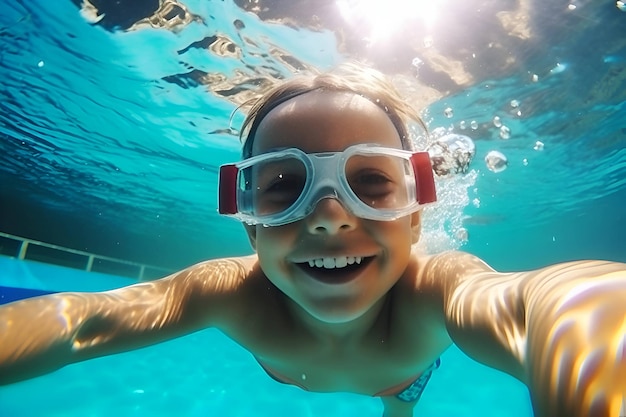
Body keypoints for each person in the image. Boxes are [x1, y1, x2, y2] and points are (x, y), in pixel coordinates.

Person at [0, 63, 625, 417]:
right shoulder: (228, 290)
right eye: (281, 186)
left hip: (400, 376)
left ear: (415, 214)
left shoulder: (437, 286)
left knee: (400, 410)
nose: (328, 217)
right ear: (247, 220)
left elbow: (539, 304)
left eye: (372, 182)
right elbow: (81, 322)